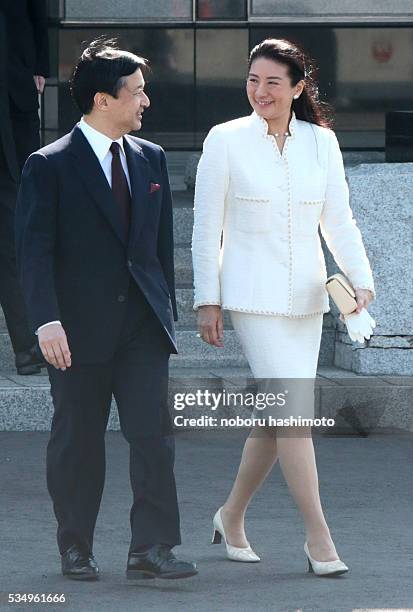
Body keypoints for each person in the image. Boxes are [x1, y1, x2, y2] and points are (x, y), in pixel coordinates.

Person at [192, 38, 375, 576]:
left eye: (274, 82)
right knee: (294, 415)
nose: (260, 91)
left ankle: (231, 514)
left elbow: (338, 220)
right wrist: (208, 300)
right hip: (251, 297)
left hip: (307, 298)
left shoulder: (322, 142)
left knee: (278, 417)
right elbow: (206, 228)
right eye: (253, 80)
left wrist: (360, 281)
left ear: (298, 88)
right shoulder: (224, 140)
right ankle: (320, 539)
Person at [15, 38, 197, 582]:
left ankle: (152, 550)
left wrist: (165, 312)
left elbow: (158, 252)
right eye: (137, 93)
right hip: (74, 330)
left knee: (154, 441)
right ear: (102, 99)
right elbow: (33, 251)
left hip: (141, 328)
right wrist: (45, 320)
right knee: (77, 444)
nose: (146, 102)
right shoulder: (49, 165)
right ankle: (76, 548)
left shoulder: (152, 159)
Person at [0, 2, 49, 374]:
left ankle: (29, 345)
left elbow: (36, 12)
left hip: (14, 96)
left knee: (15, 221)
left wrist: (38, 67)